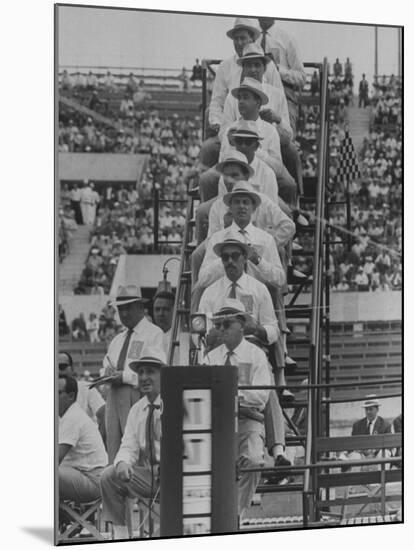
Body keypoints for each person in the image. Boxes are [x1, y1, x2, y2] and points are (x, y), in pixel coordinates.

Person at [202, 300, 271, 518]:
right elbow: (202, 392)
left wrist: (230, 395)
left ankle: (235, 515)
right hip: (217, 423)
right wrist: (235, 396)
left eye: (227, 324)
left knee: (253, 461)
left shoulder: (256, 355)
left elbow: (262, 395)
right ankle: (218, 516)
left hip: (246, 421)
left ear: (241, 324)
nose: (221, 330)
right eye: (218, 326)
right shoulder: (210, 357)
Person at [100, 349, 165, 540]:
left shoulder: (178, 403)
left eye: (150, 372)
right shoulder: (138, 409)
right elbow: (128, 445)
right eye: (141, 372)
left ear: (164, 374)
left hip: (178, 477)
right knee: (109, 476)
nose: (144, 377)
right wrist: (122, 463)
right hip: (151, 476)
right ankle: (121, 536)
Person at [103, 285, 164, 463]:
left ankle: (137, 481)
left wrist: (124, 376)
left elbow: (155, 370)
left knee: (135, 443)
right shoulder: (118, 339)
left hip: (136, 392)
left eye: (128, 308)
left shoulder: (153, 333)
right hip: (113, 394)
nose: (124, 314)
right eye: (121, 309)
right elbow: (106, 362)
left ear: (140, 307)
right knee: (113, 444)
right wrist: (107, 372)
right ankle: (116, 478)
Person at [58, 374, 108, 504]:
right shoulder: (66, 415)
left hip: (93, 481)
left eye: (57, 392)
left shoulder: (72, 417)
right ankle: (62, 520)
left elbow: (56, 459)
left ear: (71, 396)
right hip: (84, 476)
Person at [256, 17, 306, 134]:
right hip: (255, 94)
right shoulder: (251, 39)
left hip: (284, 94)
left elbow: (302, 77)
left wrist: (279, 71)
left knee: (285, 134)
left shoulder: (287, 38)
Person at [152, 290, 175, 357]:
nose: (161, 314)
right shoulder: (147, 336)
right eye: (157, 309)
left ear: (174, 310)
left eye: (165, 309)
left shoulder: (180, 338)